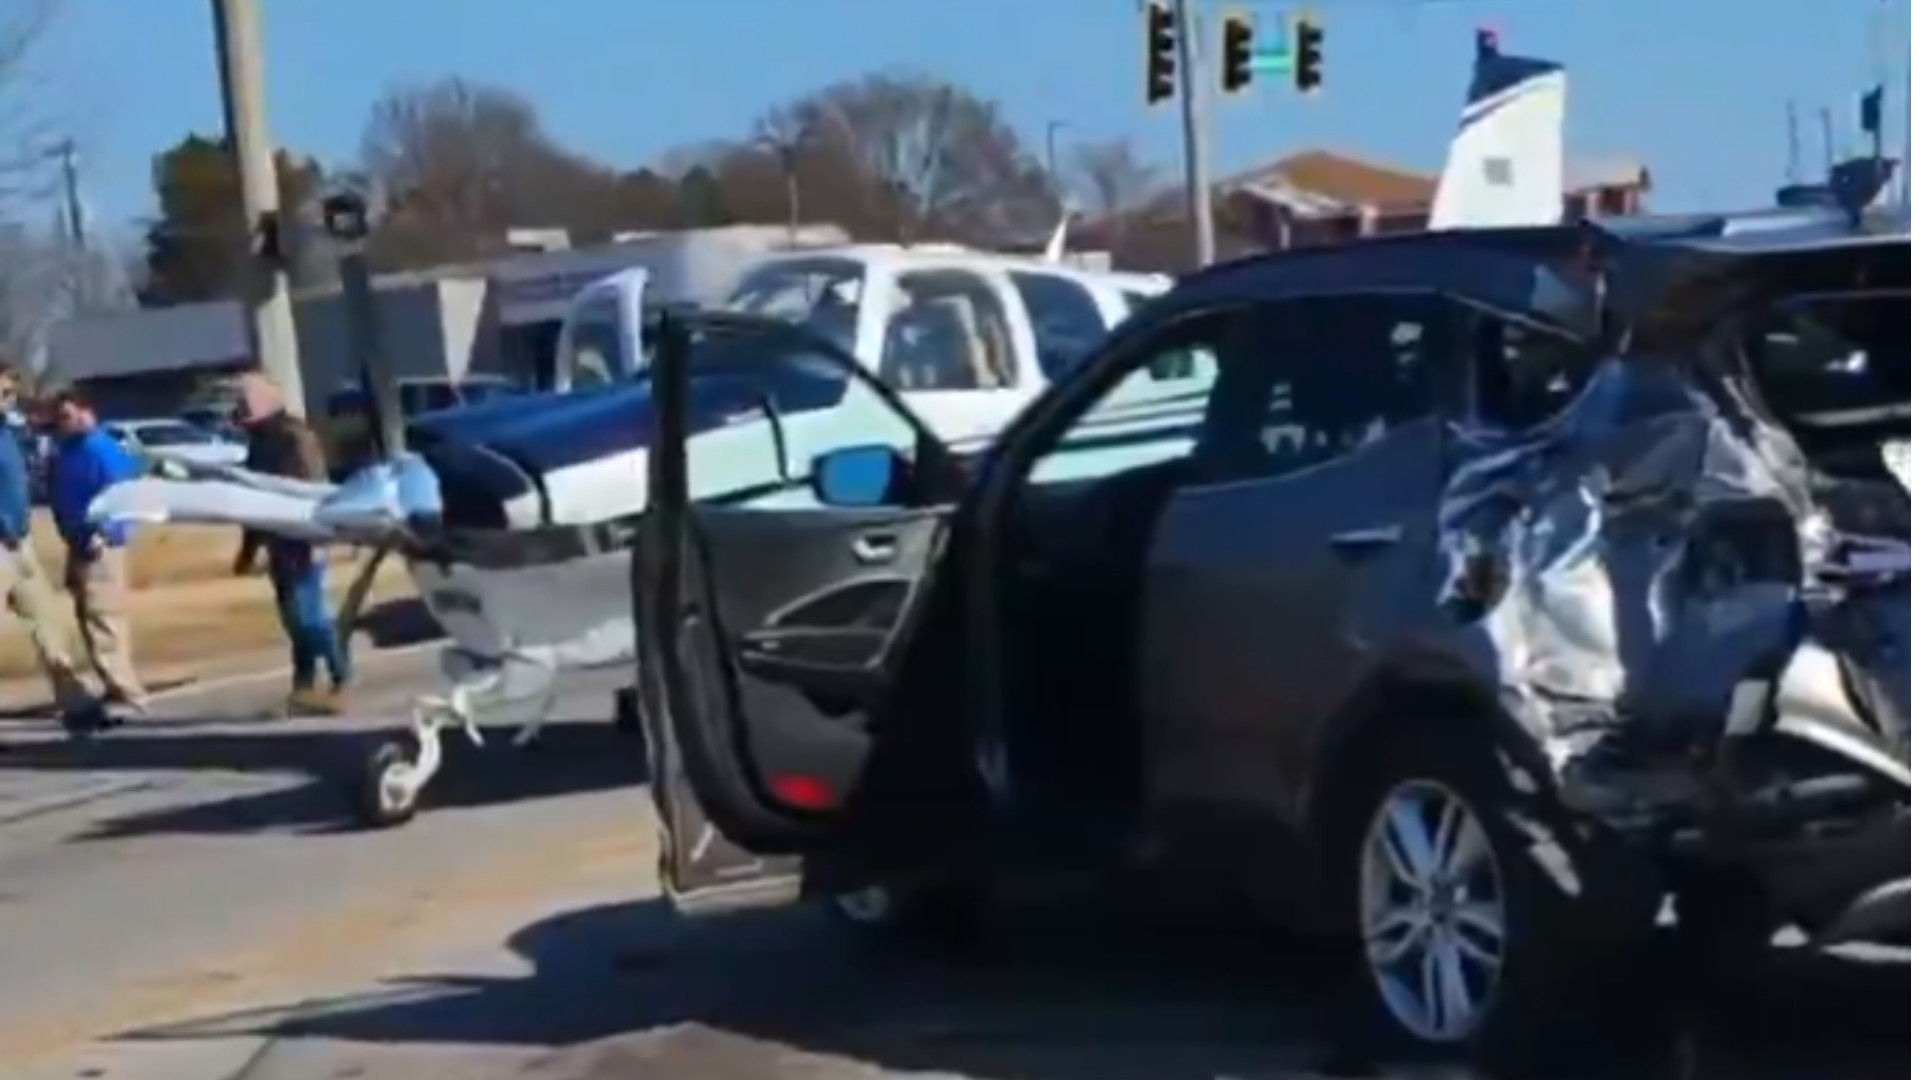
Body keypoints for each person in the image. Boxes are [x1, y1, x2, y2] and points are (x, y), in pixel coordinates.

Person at [232, 371, 352, 714]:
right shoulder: (260, 444)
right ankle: (304, 687)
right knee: (293, 618)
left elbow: (311, 490)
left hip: (303, 538)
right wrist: (249, 549)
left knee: (308, 616)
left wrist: (316, 535)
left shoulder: (295, 438)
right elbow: (251, 499)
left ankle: (340, 676)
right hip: (278, 543)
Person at [46, 386, 149, 717]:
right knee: (90, 616)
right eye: (58, 417)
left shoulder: (99, 449)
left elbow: (125, 495)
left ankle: (127, 692)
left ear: (86, 412)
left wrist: (106, 533)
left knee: (104, 617)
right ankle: (115, 685)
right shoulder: (69, 450)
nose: (61, 423)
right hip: (77, 541)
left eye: (66, 416)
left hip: (98, 544)